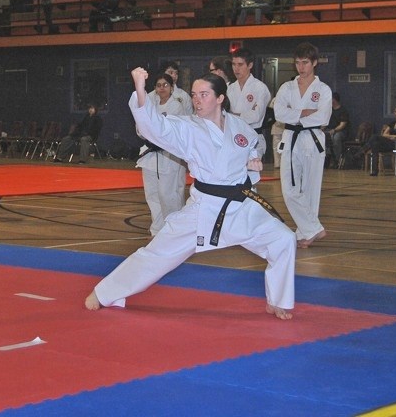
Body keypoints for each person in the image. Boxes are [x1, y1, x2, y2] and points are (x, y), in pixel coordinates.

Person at [84, 68, 297, 320]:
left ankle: (279, 301)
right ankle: (105, 292)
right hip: (204, 209)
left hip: (241, 207)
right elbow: (153, 126)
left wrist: (254, 159)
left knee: (283, 239)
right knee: (157, 255)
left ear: (219, 98)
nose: (197, 100)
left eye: (204, 94)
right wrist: (140, 88)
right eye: (194, 94)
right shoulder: (187, 128)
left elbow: (252, 143)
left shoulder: (238, 125)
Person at [274, 43, 332, 248]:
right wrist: (304, 112)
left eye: (305, 62)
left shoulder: (323, 89)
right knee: (289, 189)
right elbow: (278, 113)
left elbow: (323, 116)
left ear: (314, 63)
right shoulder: (287, 87)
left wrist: (295, 114)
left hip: (313, 139)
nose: (301, 67)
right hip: (290, 137)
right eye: (298, 63)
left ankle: (305, 233)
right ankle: (314, 229)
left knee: (310, 189)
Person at [137, 73, 191, 236]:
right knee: (152, 194)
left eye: (165, 85)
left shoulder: (177, 106)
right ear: (155, 88)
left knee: (168, 194)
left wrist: (152, 130)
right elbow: (140, 126)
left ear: (172, 88)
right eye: (159, 85)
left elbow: (167, 130)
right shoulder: (150, 104)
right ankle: (157, 228)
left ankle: (174, 228)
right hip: (150, 154)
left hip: (170, 155)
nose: (162, 88)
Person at [227, 47, 271, 157]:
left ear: (250, 65)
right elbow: (223, 114)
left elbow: (255, 116)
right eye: (234, 64)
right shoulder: (230, 88)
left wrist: (232, 116)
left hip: (253, 137)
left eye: (240, 64)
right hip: (233, 137)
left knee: (251, 173)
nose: (236, 68)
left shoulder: (260, 88)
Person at [362, 105, 396, 176]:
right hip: (389, 143)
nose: (395, 113)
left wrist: (392, 136)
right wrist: (392, 136)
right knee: (375, 144)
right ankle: (375, 171)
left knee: (375, 137)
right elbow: (384, 134)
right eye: (395, 111)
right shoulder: (392, 123)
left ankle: (362, 151)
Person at [325, 93, 350, 168]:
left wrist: (334, 130)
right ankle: (325, 160)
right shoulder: (329, 110)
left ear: (334, 100)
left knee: (336, 138)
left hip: (340, 131)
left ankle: (336, 159)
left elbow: (342, 125)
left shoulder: (343, 110)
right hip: (329, 130)